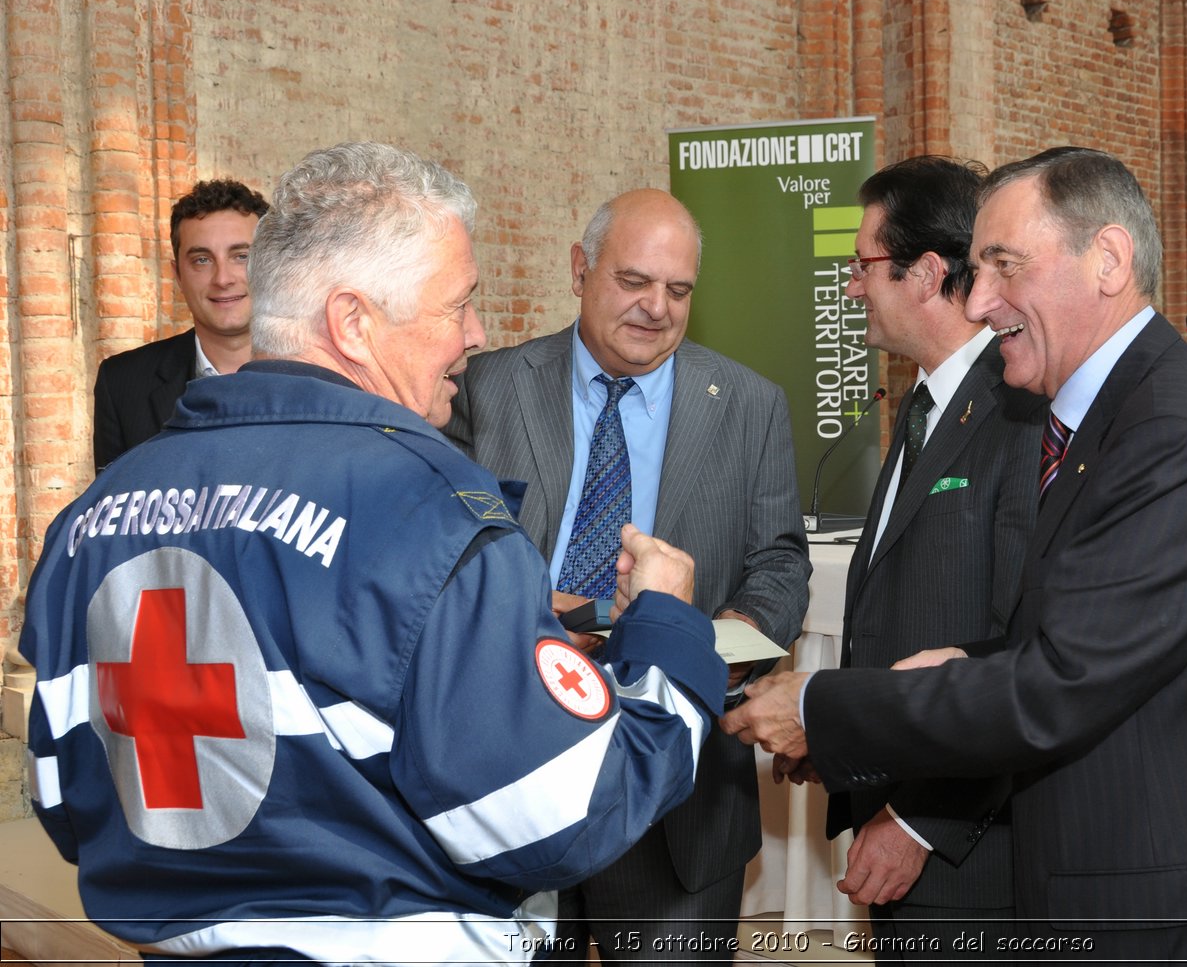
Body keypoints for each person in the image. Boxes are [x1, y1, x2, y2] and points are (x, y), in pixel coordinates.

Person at [22, 142, 728, 964]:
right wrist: (668, 628)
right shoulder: (434, 514)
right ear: (353, 322)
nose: (476, 334)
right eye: (457, 304)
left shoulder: (88, 521)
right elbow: (568, 816)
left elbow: (67, 801)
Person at [726, 147, 1187, 964]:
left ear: (1108, 260)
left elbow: (1062, 682)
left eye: (1003, 267)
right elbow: (1087, 639)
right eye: (976, 268)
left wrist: (825, 708)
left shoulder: (1173, 430)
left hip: (1176, 904)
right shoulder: (1109, 416)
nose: (980, 300)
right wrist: (964, 656)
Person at [444, 188, 810, 964]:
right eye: (634, 282)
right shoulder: (486, 387)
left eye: (678, 291)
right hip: (512, 760)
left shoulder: (750, 404)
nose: (656, 308)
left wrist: (699, 640)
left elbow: (780, 564)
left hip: (673, 788)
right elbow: (448, 552)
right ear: (580, 269)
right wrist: (556, 612)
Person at [786, 156, 1043, 956]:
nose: (853, 285)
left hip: (969, 853)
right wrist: (843, 739)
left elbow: (1024, 653)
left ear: (927, 272)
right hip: (895, 812)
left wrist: (918, 821)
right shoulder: (925, 404)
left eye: (863, 264)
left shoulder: (1019, 416)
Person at [92, 178, 268, 471]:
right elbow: (113, 510)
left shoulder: (323, 374)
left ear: (270, 263)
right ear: (178, 275)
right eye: (201, 260)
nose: (222, 279)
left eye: (241, 256)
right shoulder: (122, 384)